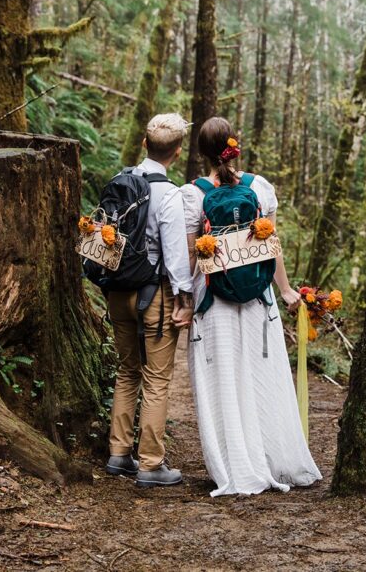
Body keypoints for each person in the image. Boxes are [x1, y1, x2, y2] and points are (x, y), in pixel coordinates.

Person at [180, 117, 322, 496]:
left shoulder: (192, 195)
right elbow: (271, 246)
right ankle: (273, 457)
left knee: (224, 378)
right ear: (234, 145)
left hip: (213, 300)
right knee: (262, 375)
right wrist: (285, 290)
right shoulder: (260, 188)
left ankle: (236, 465)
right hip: (260, 297)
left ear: (202, 152)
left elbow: (190, 258)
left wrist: (184, 299)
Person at [105, 113, 195, 487]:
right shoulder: (170, 194)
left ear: (144, 144)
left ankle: (118, 453)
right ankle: (151, 463)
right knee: (156, 380)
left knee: (127, 371)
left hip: (117, 290)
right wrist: (184, 299)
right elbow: (175, 255)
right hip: (154, 294)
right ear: (177, 151)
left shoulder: (120, 180)